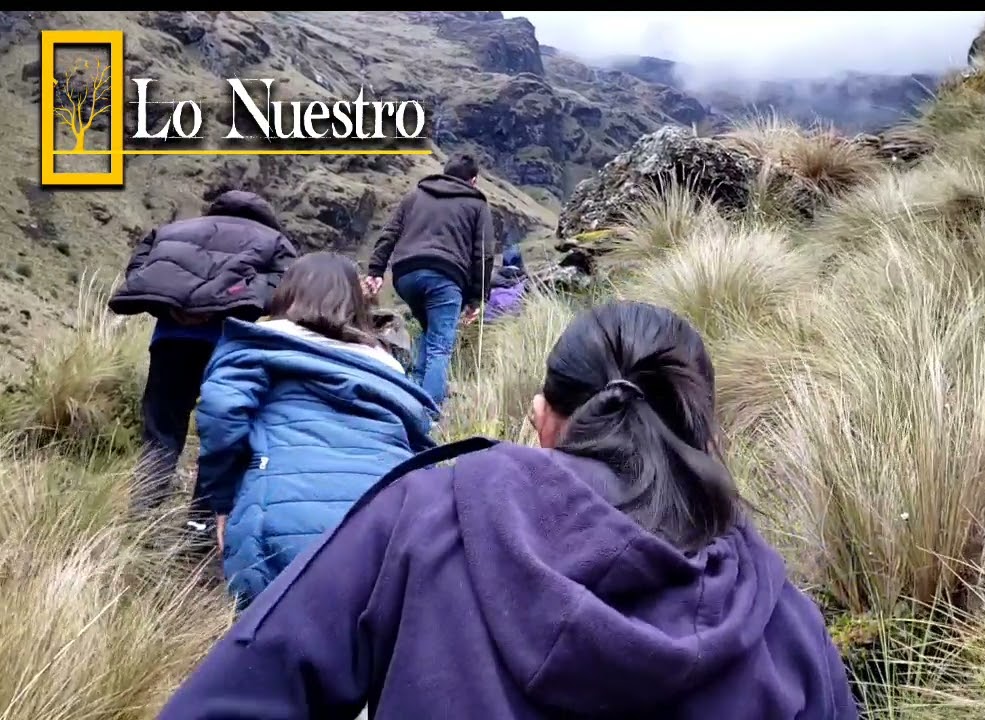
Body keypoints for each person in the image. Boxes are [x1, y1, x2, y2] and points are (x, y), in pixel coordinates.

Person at [158, 300, 859, 720]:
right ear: (706, 441)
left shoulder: (423, 513)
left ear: (541, 417)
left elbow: (236, 694)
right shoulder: (781, 614)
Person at [193, 252, 437, 610]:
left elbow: (222, 411)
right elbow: (421, 455)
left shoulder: (259, 344)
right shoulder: (388, 370)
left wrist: (223, 500)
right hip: (391, 529)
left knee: (269, 644)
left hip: (278, 521)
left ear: (287, 293)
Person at [107, 189, 297, 517]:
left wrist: (174, 305)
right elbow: (287, 287)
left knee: (162, 428)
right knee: (219, 434)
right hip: (228, 346)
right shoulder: (274, 240)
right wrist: (226, 305)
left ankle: (141, 512)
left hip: (171, 338)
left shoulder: (171, 230)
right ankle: (200, 526)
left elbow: (140, 271)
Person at [363, 154, 497, 418]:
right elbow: (484, 254)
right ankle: (428, 416)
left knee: (428, 332)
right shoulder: (477, 204)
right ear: (474, 180)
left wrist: (376, 270)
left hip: (405, 275)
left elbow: (390, 233)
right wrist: (477, 297)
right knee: (440, 346)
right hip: (445, 277)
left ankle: (410, 396)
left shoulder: (416, 195)